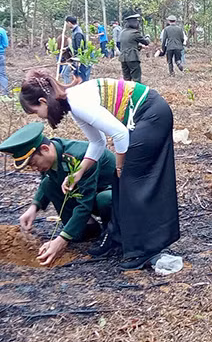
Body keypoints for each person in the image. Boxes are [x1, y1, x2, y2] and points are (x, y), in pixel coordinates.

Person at [18, 71, 180, 270]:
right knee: (119, 181)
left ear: (43, 101)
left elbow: (120, 135)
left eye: (35, 111)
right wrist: (79, 172)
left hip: (151, 113)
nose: (40, 117)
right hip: (142, 117)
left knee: (132, 183)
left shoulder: (78, 102)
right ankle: (118, 238)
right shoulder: (73, 104)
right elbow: (98, 142)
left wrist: (121, 165)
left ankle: (145, 250)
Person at [0, 123, 115, 265]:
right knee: (49, 186)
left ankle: (111, 234)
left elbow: (86, 202)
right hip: (89, 195)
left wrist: (61, 240)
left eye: (33, 163)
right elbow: (47, 182)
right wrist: (34, 207)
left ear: (45, 148)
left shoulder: (79, 157)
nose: (35, 169)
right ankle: (87, 228)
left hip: (115, 199)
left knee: (104, 199)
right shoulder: (50, 157)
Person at [118, 13, 150, 82]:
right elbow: (146, 42)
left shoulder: (122, 32)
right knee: (136, 78)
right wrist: (147, 37)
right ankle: (137, 92)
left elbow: (127, 43)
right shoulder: (135, 33)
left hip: (123, 58)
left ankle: (127, 92)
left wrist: (140, 46)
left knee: (126, 78)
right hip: (132, 57)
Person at [66, 16, 91, 82]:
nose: (67, 25)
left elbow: (80, 47)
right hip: (80, 57)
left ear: (69, 23)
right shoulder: (76, 31)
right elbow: (75, 45)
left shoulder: (78, 33)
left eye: (67, 23)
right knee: (78, 76)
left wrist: (78, 58)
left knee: (81, 77)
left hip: (81, 58)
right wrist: (67, 49)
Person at [0, 25, 7, 96]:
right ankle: (4, 94)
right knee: (2, 74)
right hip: (0, 54)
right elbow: (5, 44)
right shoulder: (2, 31)